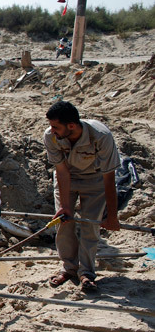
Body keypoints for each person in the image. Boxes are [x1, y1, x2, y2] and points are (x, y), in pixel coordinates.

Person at [44, 101, 120, 291]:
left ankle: (86, 273)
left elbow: (109, 178)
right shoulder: (51, 136)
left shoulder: (100, 136)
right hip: (66, 178)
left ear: (71, 125)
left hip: (95, 180)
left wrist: (112, 216)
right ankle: (69, 268)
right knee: (64, 223)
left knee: (90, 226)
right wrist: (66, 207)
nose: (51, 130)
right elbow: (61, 172)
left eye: (56, 126)